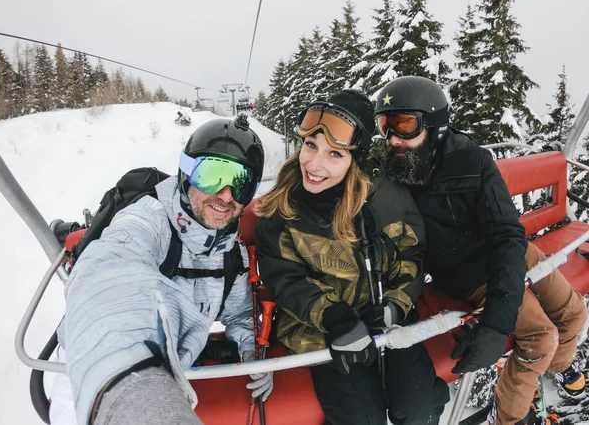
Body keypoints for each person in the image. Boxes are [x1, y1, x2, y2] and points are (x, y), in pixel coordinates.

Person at [374, 76, 588, 425]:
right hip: (466, 274)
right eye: (384, 125)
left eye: (404, 125)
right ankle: (505, 419)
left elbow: (506, 231)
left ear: (435, 125)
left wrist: (495, 324)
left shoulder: (470, 160)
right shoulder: (395, 176)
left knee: (573, 313)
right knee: (540, 338)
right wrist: (493, 324)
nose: (393, 138)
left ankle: (560, 367)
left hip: (510, 253)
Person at [58, 116, 273, 425]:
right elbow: (112, 270)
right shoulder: (151, 220)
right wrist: (131, 389)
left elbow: (239, 315)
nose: (226, 196)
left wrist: (251, 352)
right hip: (90, 365)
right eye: (212, 175)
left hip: (172, 368)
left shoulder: (231, 254)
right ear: (186, 173)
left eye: (241, 183)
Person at [254, 89, 449, 425]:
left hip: (383, 317)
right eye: (310, 146)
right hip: (323, 330)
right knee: (362, 419)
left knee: (420, 407)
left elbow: (409, 253)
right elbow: (283, 276)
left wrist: (395, 305)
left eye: (335, 154)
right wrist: (333, 317)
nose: (314, 165)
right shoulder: (284, 207)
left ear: (355, 160)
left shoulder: (382, 195)